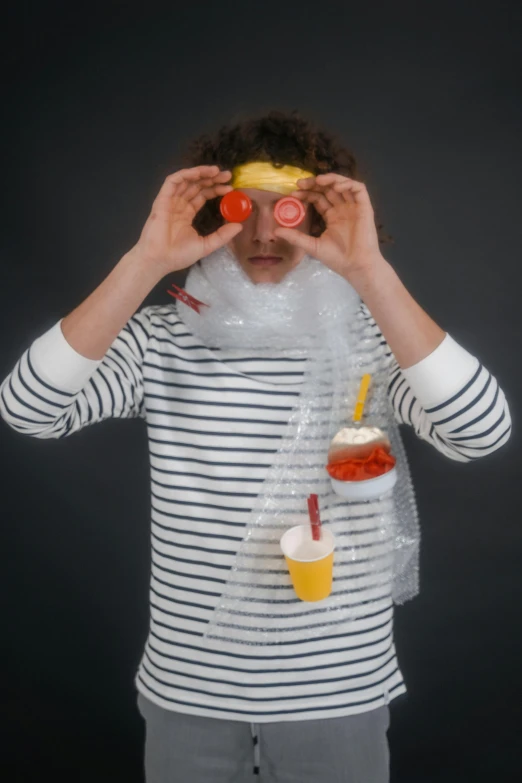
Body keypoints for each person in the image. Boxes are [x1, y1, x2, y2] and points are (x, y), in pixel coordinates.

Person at [0, 110, 511, 783]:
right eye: (246, 211)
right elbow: (28, 408)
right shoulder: (163, 339)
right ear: (216, 215)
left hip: (336, 690)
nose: (266, 233)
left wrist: (370, 273)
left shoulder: (373, 340)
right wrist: (145, 259)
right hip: (191, 691)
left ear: (320, 219)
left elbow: (482, 431)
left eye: (290, 212)